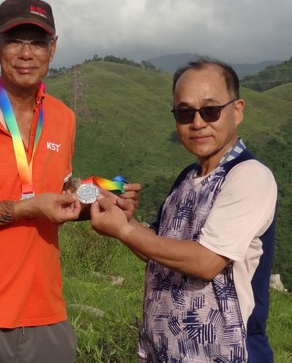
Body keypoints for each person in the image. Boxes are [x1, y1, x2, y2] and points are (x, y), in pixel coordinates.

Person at [0, 0, 138, 363]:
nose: (26, 53)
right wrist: (27, 207)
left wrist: (100, 199)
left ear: (53, 48)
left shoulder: (62, 117)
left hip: (47, 318)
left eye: (37, 42)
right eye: (14, 41)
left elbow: (60, 193)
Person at [90, 58, 277, 362]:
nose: (198, 123)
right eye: (185, 113)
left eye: (210, 110)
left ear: (237, 110)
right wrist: (120, 215)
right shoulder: (186, 178)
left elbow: (206, 261)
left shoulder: (250, 176)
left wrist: (123, 229)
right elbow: (158, 247)